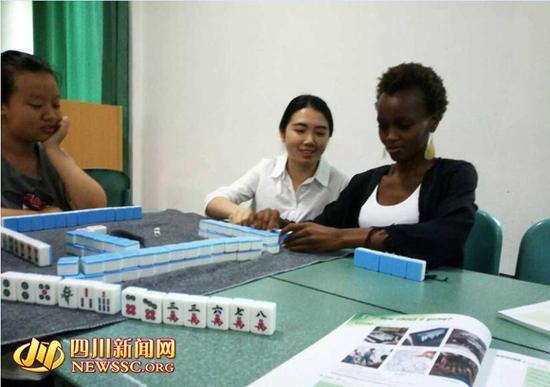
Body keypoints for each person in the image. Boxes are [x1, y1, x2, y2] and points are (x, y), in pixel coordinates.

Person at [278, 63, 477, 269]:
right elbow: (319, 231)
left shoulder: (454, 175)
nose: (390, 136)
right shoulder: (364, 182)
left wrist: (343, 237)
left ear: (433, 122)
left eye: (404, 126)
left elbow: (448, 236)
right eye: (383, 126)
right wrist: (277, 225)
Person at [204, 94, 348, 227]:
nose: (310, 140)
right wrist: (241, 213)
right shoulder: (266, 169)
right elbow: (213, 200)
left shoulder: (340, 184)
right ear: (282, 133)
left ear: (328, 138)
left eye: (320, 133)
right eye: (300, 130)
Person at [1, 50, 107, 216]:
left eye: (56, 105)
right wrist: (42, 217)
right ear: (3, 107)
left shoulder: (51, 157)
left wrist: (54, 150)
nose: (50, 115)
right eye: (36, 105)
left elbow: (96, 207)